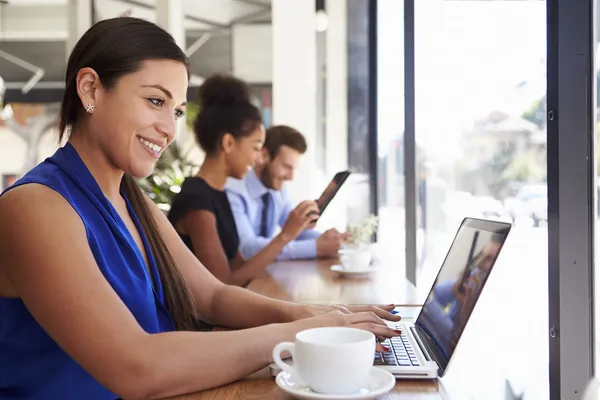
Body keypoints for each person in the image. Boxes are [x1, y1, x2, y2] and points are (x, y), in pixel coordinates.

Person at [0, 18, 401, 399]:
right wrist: (302, 333)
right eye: (155, 100)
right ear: (90, 89)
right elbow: (135, 366)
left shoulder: (135, 205)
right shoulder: (35, 206)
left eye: (175, 110)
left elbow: (211, 297)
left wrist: (318, 315)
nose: (170, 128)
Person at [168, 75, 319, 287]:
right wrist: (285, 236)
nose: (258, 158)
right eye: (256, 148)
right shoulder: (197, 202)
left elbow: (240, 266)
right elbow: (223, 285)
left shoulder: (218, 194)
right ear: (229, 143)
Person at [226, 125, 344, 261]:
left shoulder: (278, 190)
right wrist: (315, 247)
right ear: (264, 156)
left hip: (265, 274)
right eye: (286, 167)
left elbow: (296, 233)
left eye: (293, 169)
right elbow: (248, 249)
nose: (290, 177)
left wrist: (331, 240)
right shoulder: (234, 191)